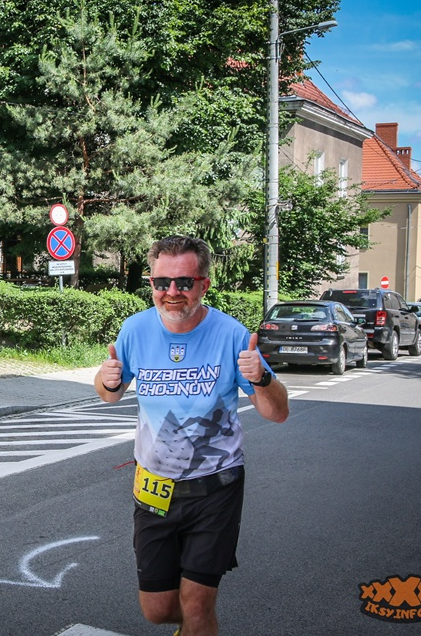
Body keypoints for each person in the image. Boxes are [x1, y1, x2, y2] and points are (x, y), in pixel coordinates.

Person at [95, 235, 289, 636]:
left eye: (184, 282)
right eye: (161, 282)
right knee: (158, 609)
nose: (171, 292)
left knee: (197, 604)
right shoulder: (135, 330)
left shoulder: (231, 335)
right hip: (153, 488)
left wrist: (262, 378)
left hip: (215, 488)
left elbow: (277, 413)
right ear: (151, 283)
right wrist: (105, 379)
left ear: (204, 284)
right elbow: (109, 394)